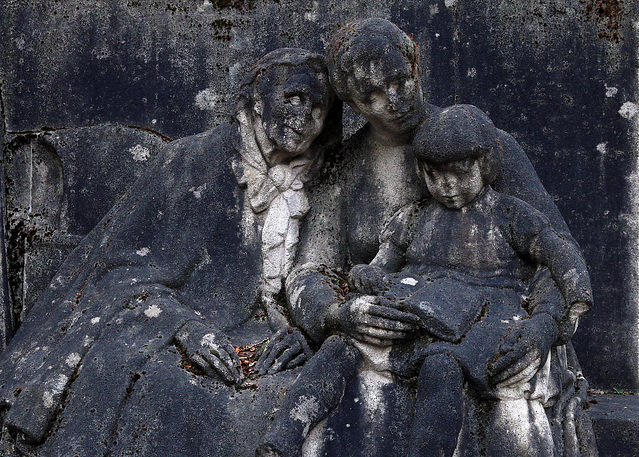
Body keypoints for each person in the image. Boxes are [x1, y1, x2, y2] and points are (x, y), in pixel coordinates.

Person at [0, 48, 339, 457]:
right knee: (168, 394)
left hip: (264, 337)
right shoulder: (191, 160)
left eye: (319, 108)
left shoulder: (325, 181)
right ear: (257, 95)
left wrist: (306, 332)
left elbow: (328, 275)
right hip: (175, 324)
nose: (306, 119)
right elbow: (122, 273)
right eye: (295, 98)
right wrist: (186, 328)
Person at [284, 18, 595, 456]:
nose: (392, 101)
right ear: (352, 104)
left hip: (498, 326)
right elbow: (310, 269)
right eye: (371, 96)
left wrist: (543, 328)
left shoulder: (486, 145)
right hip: (392, 326)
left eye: (398, 81)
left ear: (416, 67)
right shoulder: (344, 169)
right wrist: (339, 313)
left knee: (506, 416)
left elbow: (553, 253)